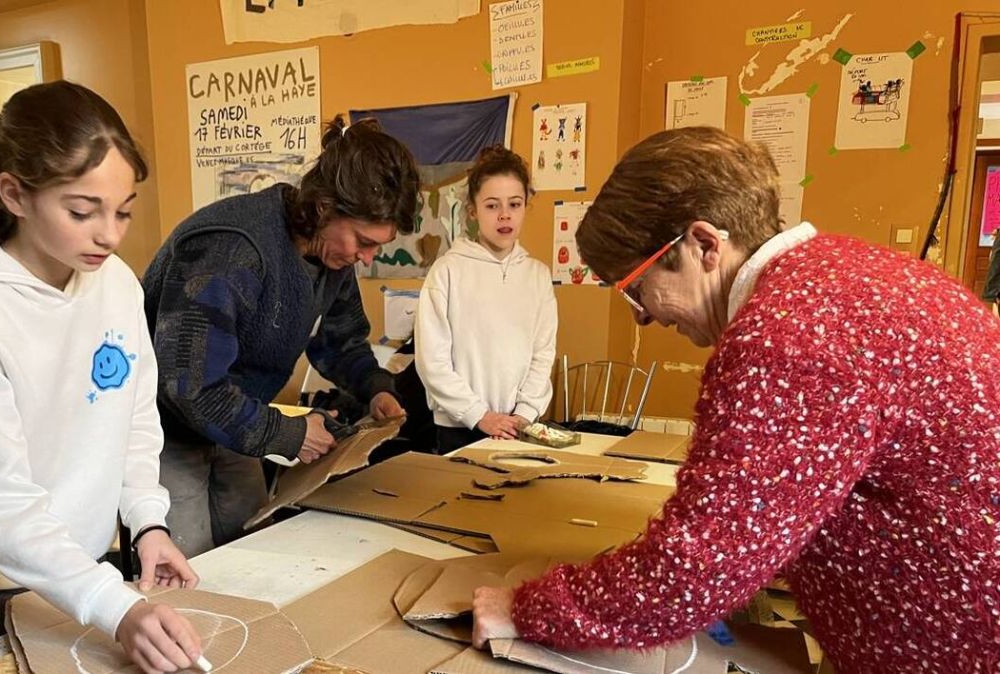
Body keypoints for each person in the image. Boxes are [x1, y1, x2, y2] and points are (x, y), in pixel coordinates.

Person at [470, 126, 1000, 672]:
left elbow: (698, 565)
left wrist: (531, 608)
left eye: (635, 286)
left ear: (703, 244)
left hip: (955, 643)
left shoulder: (785, 335)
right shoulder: (844, 270)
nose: (641, 314)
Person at [0, 80, 204, 672]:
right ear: (14, 194)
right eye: (81, 211)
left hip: (85, 574)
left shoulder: (113, 283)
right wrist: (115, 607)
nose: (110, 235)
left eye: (123, 211)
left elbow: (133, 418)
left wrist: (147, 522)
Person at [142, 116, 420, 557]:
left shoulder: (332, 259)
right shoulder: (231, 248)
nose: (366, 259)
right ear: (325, 207)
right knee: (187, 573)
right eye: (363, 241)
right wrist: (289, 435)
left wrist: (374, 390)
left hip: (237, 422)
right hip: (166, 431)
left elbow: (341, 341)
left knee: (254, 550)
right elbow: (190, 388)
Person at [415, 146, 557, 453]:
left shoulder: (538, 276)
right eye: (492, 206)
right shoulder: (447, 271)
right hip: (459, 427)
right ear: (472, 210)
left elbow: (542, 354)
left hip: (518, 427)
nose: (505, 215)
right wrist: (480, 415)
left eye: (515, 204)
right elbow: (432, 362)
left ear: (525, 206)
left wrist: (524, 414)